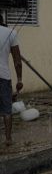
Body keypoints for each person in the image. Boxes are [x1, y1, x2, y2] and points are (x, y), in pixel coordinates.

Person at [0, 15, 24, 146]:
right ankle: (8, 139)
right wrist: (19, 80)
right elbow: (17, 61)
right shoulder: (11, 33)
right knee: (6, 110)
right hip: (3, 77)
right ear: (2, 20)